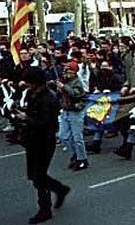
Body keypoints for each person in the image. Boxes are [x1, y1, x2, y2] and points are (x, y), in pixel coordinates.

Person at [13, 68, 70, 224]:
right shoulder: (34, 94)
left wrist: (27, 117)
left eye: (29, 82)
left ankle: (45, 209)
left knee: (39, 176)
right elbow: (33, 113)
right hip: (32, 140)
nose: (27, 85)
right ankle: (59, 189)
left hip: (44, 142)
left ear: (35, 82)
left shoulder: (49, 99)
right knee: (34, 175)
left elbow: (46, 123)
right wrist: (22, 114)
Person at [57, 61, 89, 171]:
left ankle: (82, 159)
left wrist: (64, 87)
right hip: (65, 111)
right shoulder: (64, 81)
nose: (65, 71)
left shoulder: (77, 82)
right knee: (63, 135)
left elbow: (76, 94)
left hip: (76, 111)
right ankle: (75, 154)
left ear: (73, 72)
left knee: (77, 138)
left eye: (67, 70)